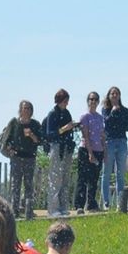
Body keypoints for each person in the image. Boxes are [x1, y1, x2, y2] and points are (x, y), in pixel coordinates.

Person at [0, 101, 42, 218]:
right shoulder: (14, 123)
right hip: (17, 158)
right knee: (15, 184)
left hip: (30, 157)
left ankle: (29, 210)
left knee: (29, 184)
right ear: (20, 110)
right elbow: (7, 139)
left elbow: (40, 141)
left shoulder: (35, 124)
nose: (26, 110)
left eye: (29, 108)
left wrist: (32, 136)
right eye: (24, 108)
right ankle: (15, 211)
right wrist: (10, 150)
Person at [41, 89, 79, 217]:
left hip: (66, 148)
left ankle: (63, 207)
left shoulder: (67, 113)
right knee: (55, 178)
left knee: (65, 178)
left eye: (67, 101)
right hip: (56, 147)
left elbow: (68, 130)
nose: (66, 104)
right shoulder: (52, 114)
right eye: (64, 101)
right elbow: (49, 134)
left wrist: (73, 126)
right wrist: (64, 129)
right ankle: (53, 208)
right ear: (58, 101)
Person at [99, 87, 128, 211]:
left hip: (122, 142)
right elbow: (106, 124)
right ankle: (106, 203)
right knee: (106, 173)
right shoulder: (105, 110)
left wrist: (119, 116)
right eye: (112, 93)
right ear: (109, 96)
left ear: (119, 96)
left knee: (120, 174)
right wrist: (112, 112)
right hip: (109, 143)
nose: (114, 95)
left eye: (117, 93)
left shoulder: (125, 110)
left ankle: (120, 203)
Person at [74, 91, 106, 212]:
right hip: (85, 150)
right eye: (91, 99)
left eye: (95, 99)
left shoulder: (100, 117)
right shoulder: (84, 117)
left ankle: (91, 203)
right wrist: (90, 153)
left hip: (99, 150)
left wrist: (105, 151)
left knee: (94, 178)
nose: (93, 102)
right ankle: (79, 205)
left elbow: (102, 135)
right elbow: (86, 135)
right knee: (83, 178)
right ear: (88, 101)